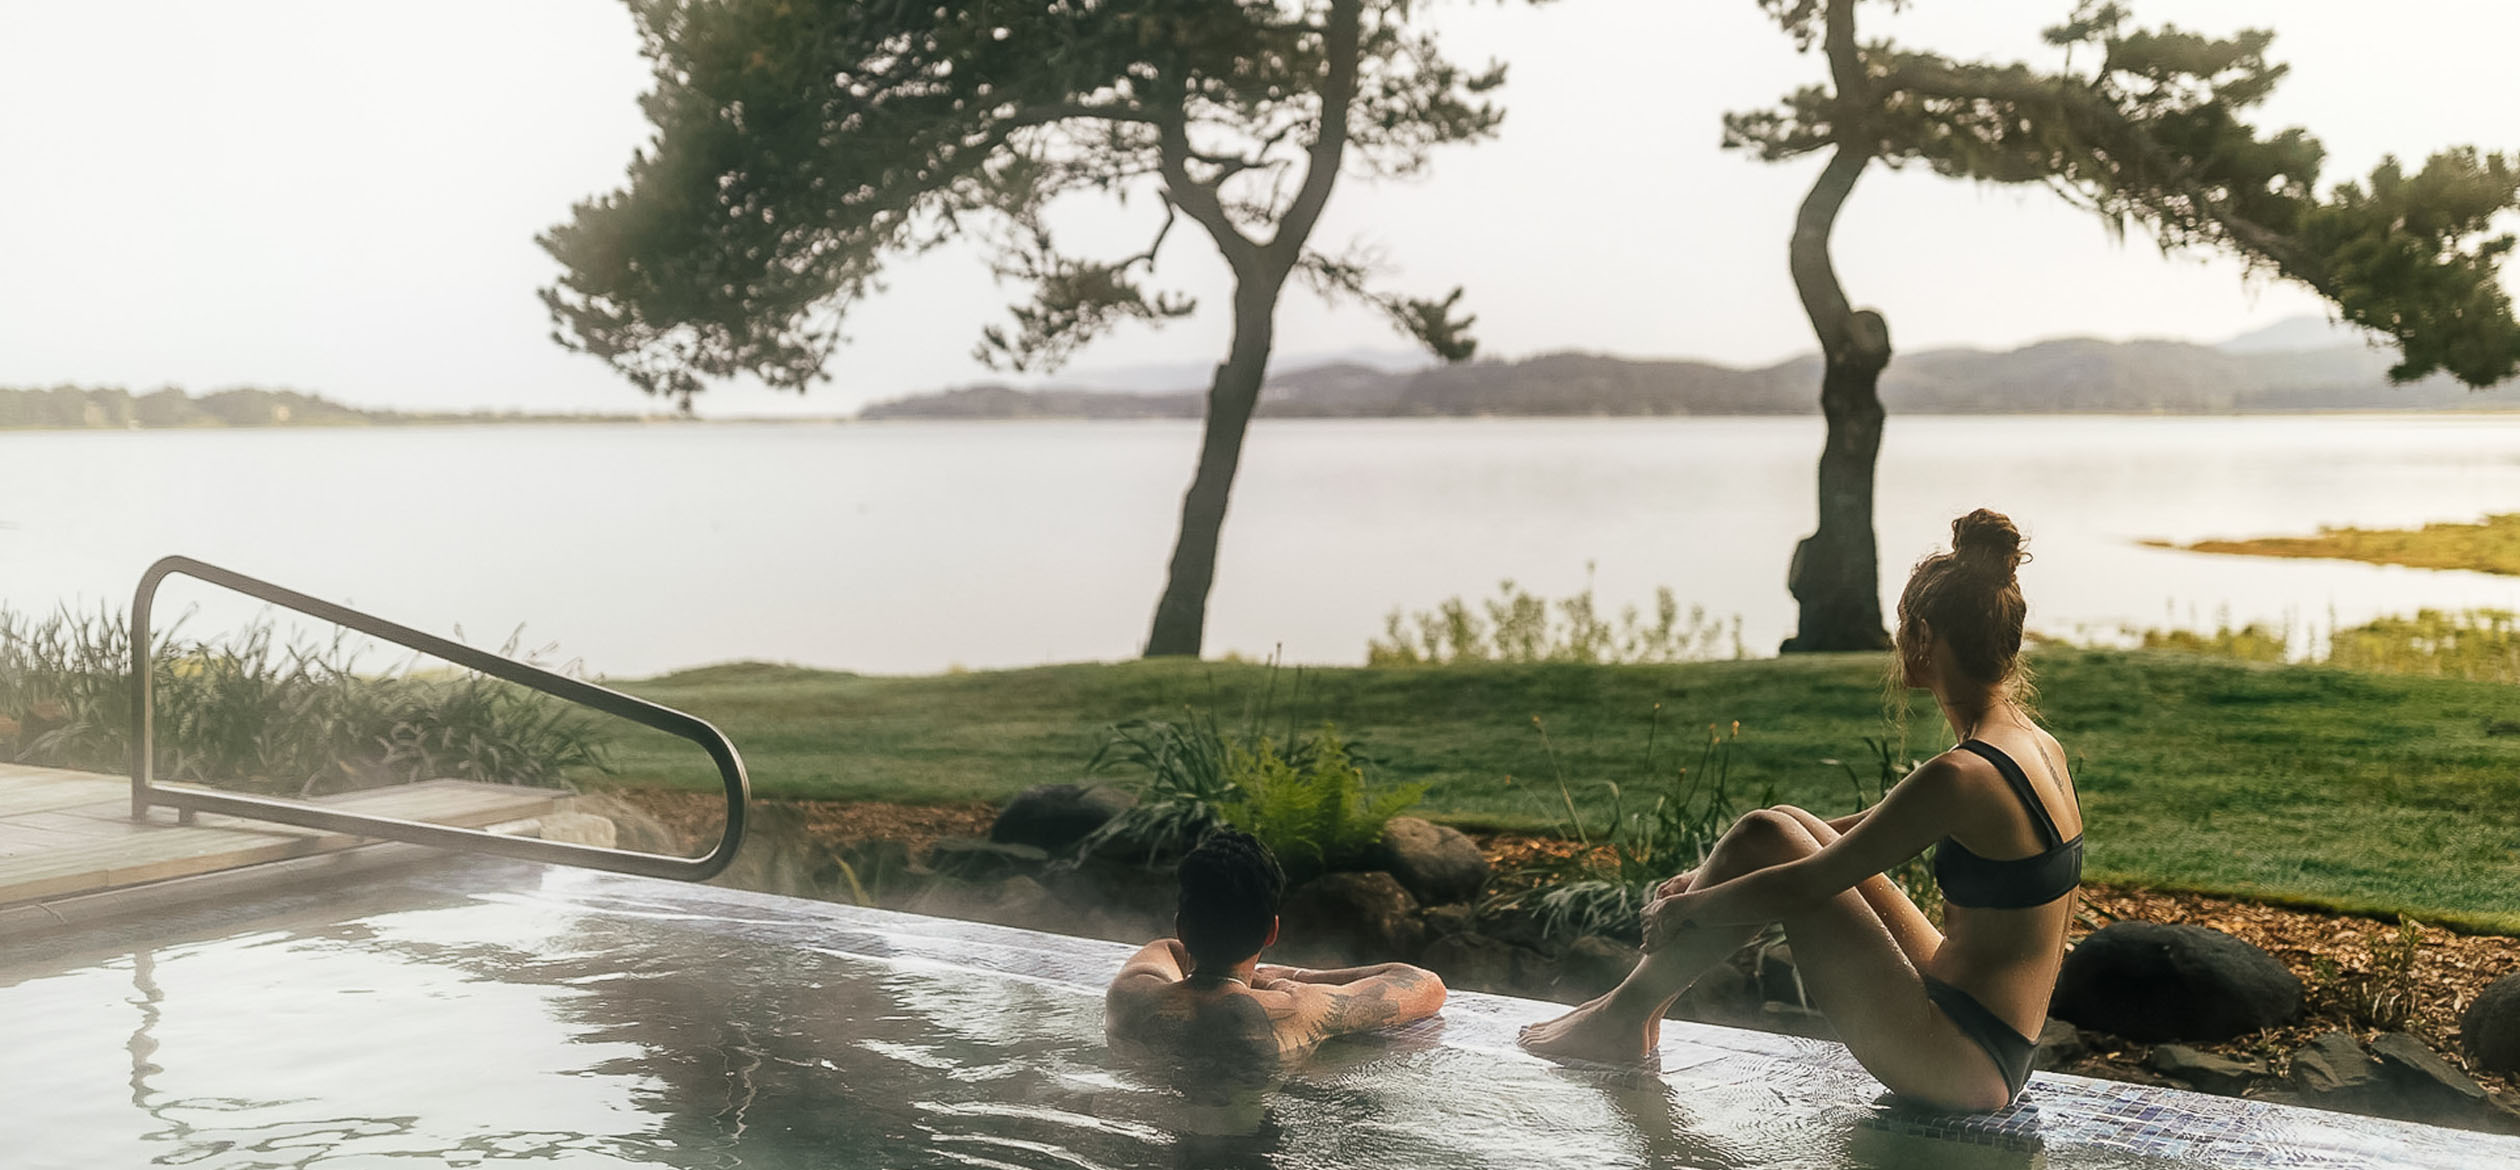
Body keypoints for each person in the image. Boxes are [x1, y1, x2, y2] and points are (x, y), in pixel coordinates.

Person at [1519, 509, 2081, 1112]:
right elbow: (1867, 832)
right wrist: (1712, 874)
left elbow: (1813, 881)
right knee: (1779, 823)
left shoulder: (1960, 774)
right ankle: (1625, 1015)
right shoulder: (2032, 746)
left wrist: (1689, 909)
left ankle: (1621, 1017)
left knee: (1769, 834)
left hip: (1959, 1061)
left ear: (1920, 637)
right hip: (1989, 1039)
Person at [1106, 829, 1448, 1064]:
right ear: (1272, 932)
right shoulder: (1296, 1011)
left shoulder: (1131, 995)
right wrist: (1282, 979)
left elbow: (1167, 949)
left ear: (1182, 925)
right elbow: (1424, 984)